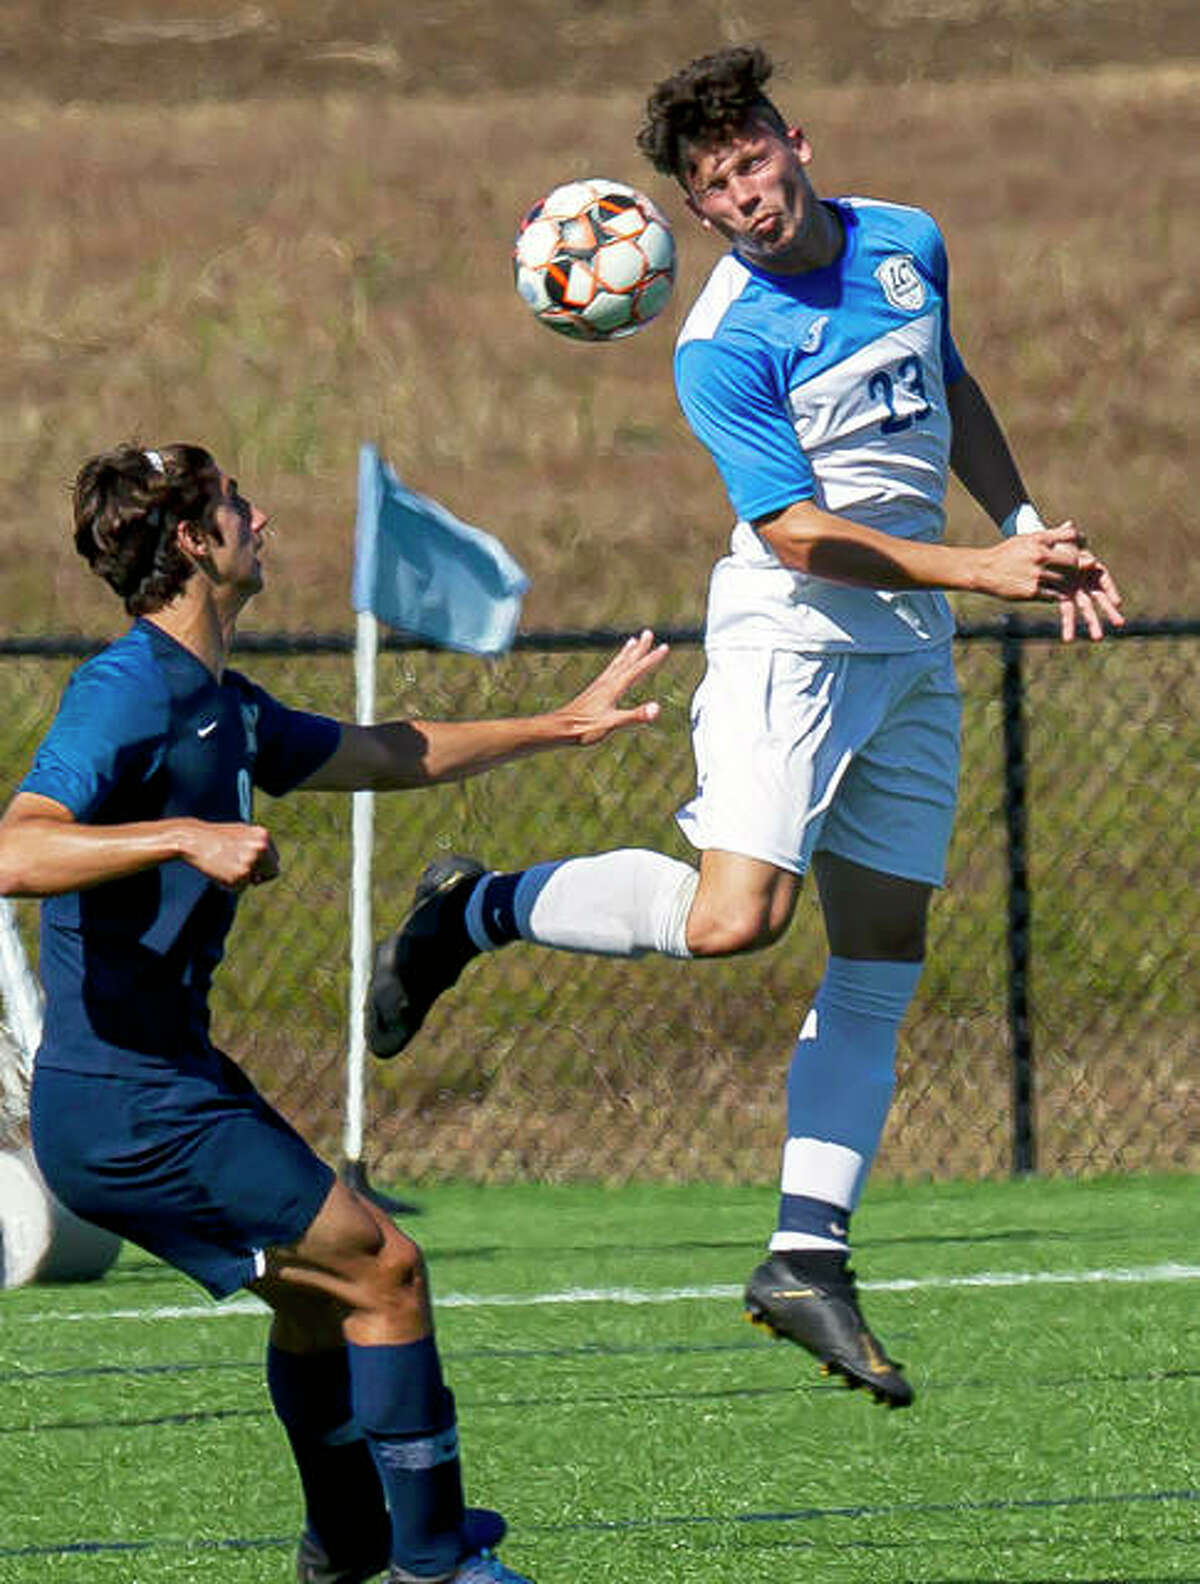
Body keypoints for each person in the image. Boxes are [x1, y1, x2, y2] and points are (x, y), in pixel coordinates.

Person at [365, 44, 1125, 1411]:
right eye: (716, 186)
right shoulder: (723, 344)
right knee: (738, 922)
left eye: (753, 160)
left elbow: (946, 383)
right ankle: (473, 908)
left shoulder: (908, 242)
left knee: (886, 941)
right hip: (795, 635)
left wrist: (1025, 526)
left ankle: (805, 1257)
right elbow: (800, 536)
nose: (745, 193)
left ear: (798, 144)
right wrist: (982, 573)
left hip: (910, 646)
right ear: (697, 216)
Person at [0, 442, 668, 1583]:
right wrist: (181, 834)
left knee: (316, 1308)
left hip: (166, 1079)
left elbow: (389, 750)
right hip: (125, 1096)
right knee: (385, 1269)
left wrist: (558, 725)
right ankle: (435, 1563)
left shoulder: (224, 704)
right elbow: (16, 845)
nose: (261, 517)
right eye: (234, 507)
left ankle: (348, 1546)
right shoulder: (125, 689)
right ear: (195, 544)